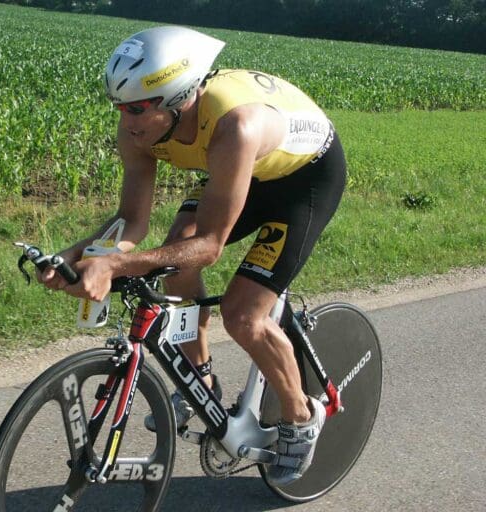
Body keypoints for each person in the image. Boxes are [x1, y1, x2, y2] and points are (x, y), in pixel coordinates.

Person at [38, 25, 346, 485]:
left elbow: (210, 247)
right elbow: (131, 222)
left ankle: (301, 417)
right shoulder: (139, 130)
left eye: (137, 109)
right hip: (240, 171)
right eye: (118, 107)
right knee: (172, 257)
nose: (126, 122)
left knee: (244, 316)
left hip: (304, 180)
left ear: (177, 99)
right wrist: (75, 254)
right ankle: (200, 377)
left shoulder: (232, 127)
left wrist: (115, 265)